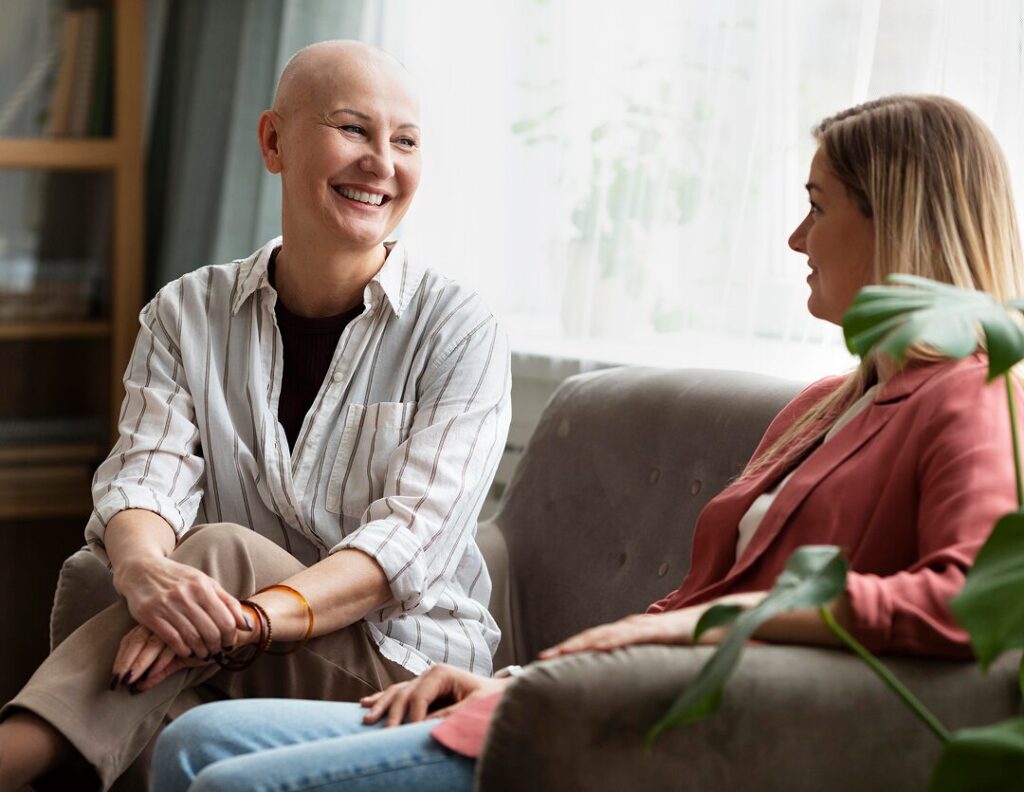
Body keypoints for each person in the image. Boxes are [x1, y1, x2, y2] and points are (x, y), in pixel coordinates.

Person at [151, 93, 1024, 792]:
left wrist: (727, 624)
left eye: (817, 207)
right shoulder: (820, 408)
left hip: (674, 735)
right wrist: (520, 681)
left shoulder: (973, 393)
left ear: (897, 221)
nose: (797, 238)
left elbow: (970, 602)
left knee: (226, 779)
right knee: (196, 739)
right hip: (585, 698)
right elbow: (688, 600)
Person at [0, 40, 510, 792]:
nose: (381, 162)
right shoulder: (185, 313)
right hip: (236, 641)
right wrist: (145, 574)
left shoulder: (458, 329)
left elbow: (403, 547)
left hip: (400, 667)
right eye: (353, 129)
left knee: (216, 552)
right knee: (113, 602)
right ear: (274, 142)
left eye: (405, 141)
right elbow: (146, 479)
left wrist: (241, 621)